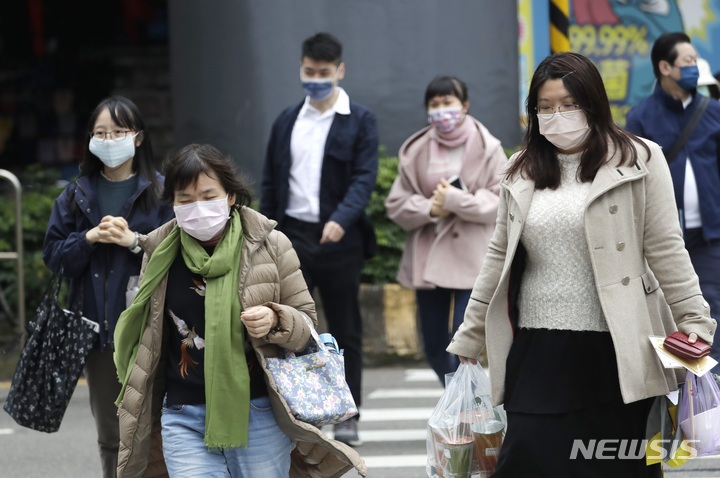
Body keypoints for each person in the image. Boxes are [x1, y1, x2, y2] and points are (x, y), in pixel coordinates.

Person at [447, 51, 716, 476]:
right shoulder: (520, 169)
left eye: (568, 104)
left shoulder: (640, 159)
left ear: (593, 103)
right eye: (546, 107)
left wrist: (696, 323)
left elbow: (666, 249)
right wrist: (470, 334)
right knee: (526, 458)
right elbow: (498, 257)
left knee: (613, 466)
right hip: (537, 350)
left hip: (616, 350)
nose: (557, 115)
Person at [113, 144, 367, 477]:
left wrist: (277, 319)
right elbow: (149, 335)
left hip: (259, 411)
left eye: (208, 196)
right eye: (185, 200)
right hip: (182, 412)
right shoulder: (159, 251)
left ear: (231, 196)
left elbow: (307, 325)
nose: (197, 208)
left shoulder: (271, 244)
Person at [42, 96, 173, 478]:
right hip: (99, 334)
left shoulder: (162, 193)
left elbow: (179, 254)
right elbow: (54, 258)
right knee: (112, 435)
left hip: (154, 329)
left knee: (160, 430)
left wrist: (135, 241)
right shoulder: (75, 194)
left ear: (138, 138)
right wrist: (88, 238)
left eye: (118, 131)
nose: (109, 139)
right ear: (91, 139)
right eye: (101, 132)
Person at [260, 32, 378, 446]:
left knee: (346, 328)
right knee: (293, 328)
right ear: (301, 68)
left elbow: (365, 178)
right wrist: (266, 232)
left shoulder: (359, 120)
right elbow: (272, 182)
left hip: (339, 240)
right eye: (309, 71)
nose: (315, 79)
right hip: (292, 238)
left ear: (339, 71)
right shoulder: (286, 121)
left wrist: (342, 218)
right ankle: (302, 409)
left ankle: (348, 414)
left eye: (324, 73)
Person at [384, 76, 507, 384]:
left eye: (448, 102)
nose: (442, 110)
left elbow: (501, 199)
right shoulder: (416, 149)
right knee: (434, 343)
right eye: (435, 104)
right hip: (430, 258)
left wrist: (455, 200)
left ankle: (467, 410)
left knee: (464, 341)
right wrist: (430, 208)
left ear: (464, 105)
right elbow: (396, 203)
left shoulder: (488, 147)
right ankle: (459, 400)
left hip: (474, 257)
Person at [626, 32, 720, 371]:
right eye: (688, 61)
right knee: (665, 311)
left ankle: (712, 388)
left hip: (710, 232)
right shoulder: (640, 118)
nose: (696, 67)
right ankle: (676, 390)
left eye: (696, 60)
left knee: (710, 309)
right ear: (665, 67)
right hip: (662, 238)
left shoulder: (713, 112)